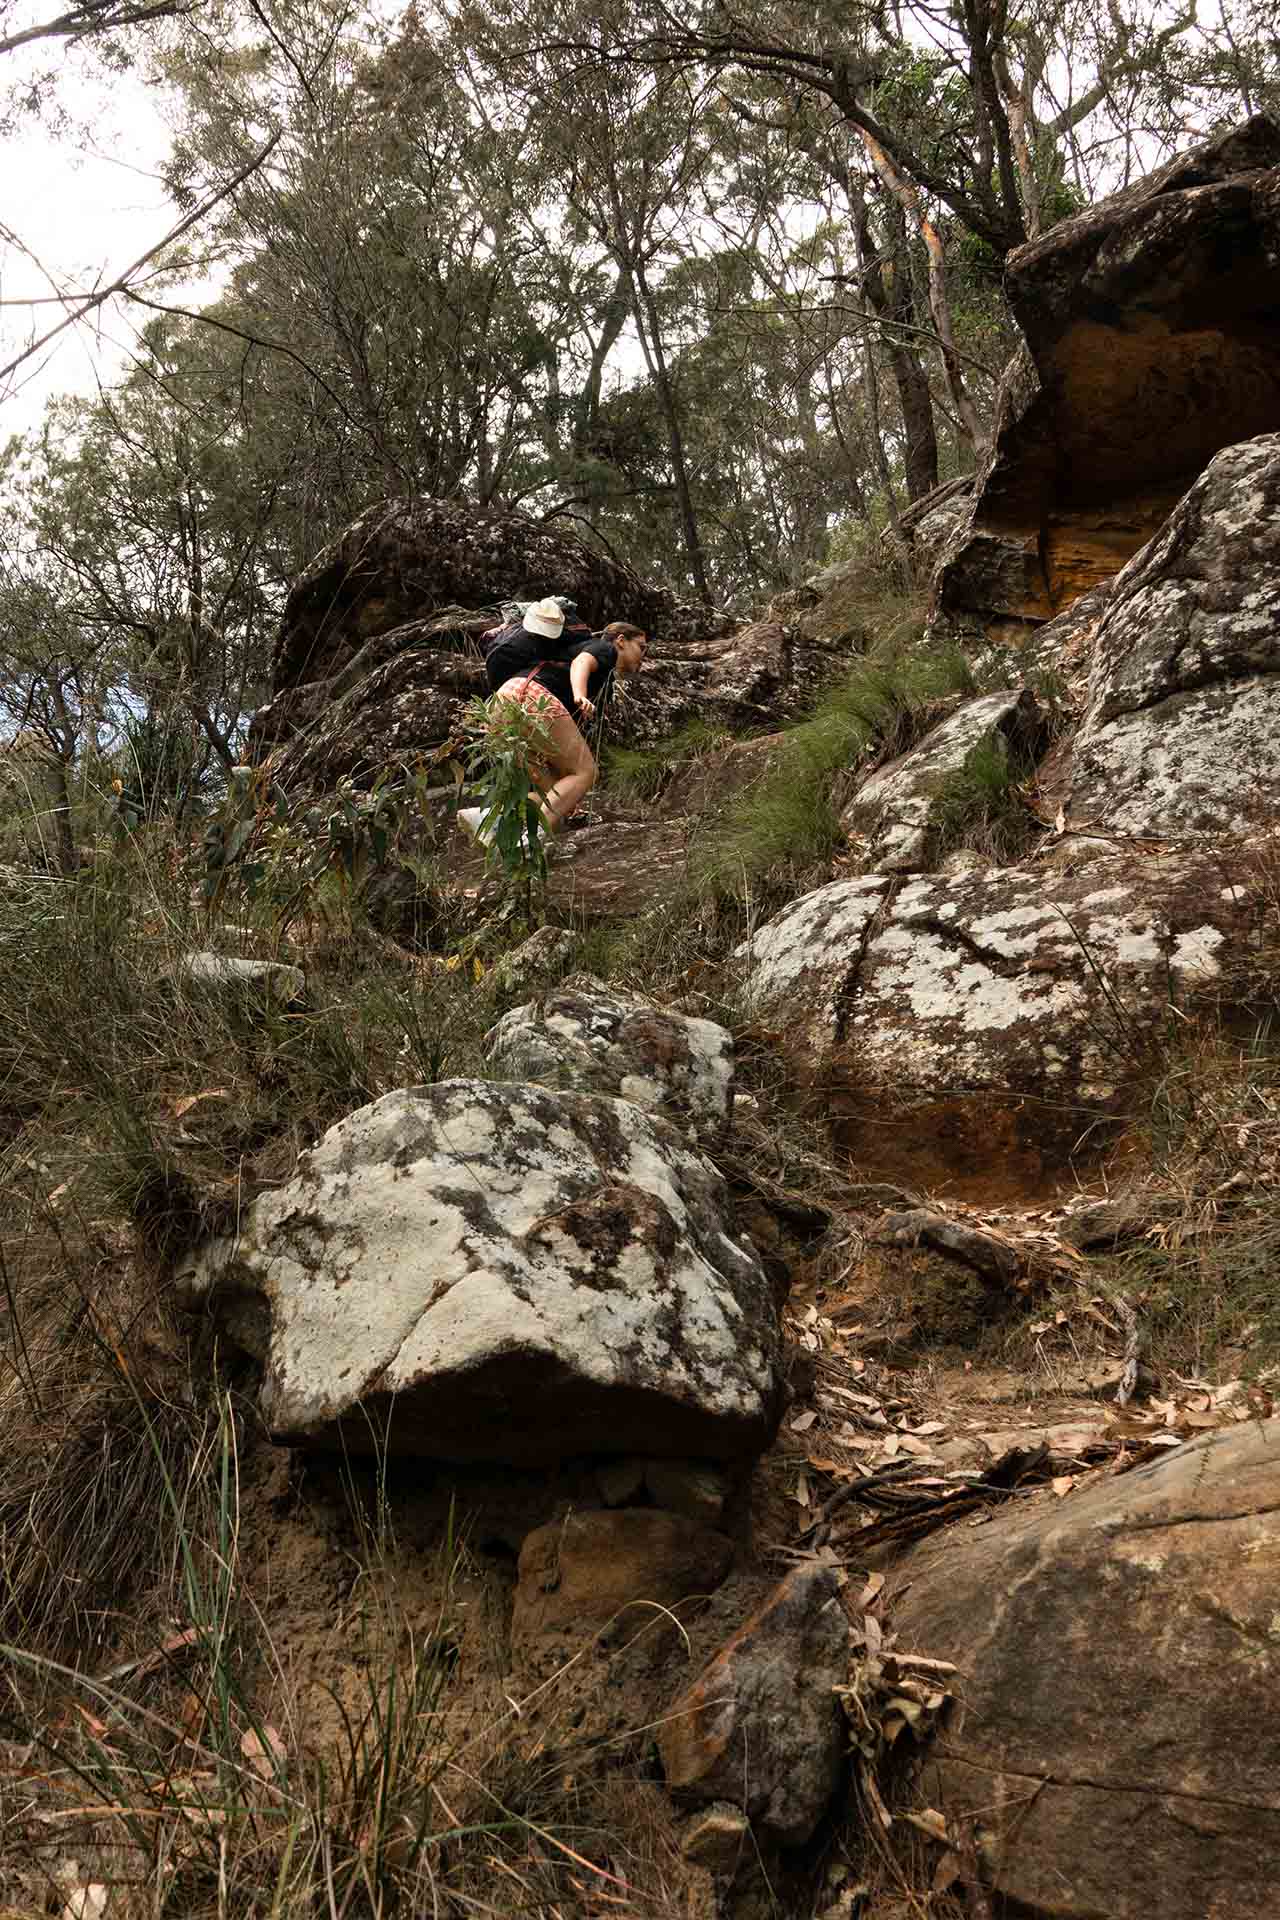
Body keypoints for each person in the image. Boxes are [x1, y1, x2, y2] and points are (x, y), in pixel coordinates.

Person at [458, 619, 647, 845]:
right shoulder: (605, 649)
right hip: (531, 696)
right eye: (641, 647)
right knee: (586, 772)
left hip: (504, 701)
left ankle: (485, 816)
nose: (643, 655)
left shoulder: (601, 675)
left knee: (558, 797)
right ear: (621, 641)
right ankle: (530, 843)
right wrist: (580, 694)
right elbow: (582, 662)